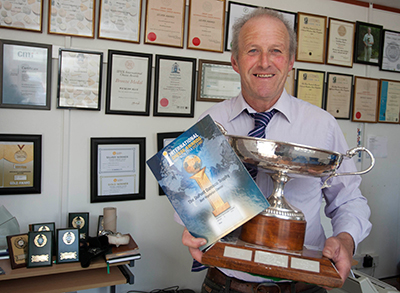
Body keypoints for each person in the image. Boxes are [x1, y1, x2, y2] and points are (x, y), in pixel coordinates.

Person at [179, 8, 371, 293]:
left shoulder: (322, 125)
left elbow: (348, 199)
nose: (265, 62)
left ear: (291, 61)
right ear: (235, 60)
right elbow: (190, 197)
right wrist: (193, 226)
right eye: (253, 50)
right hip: (225, 284)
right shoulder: (210, 123)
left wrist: (345, 239)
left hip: (302, 285)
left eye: (276, 51)